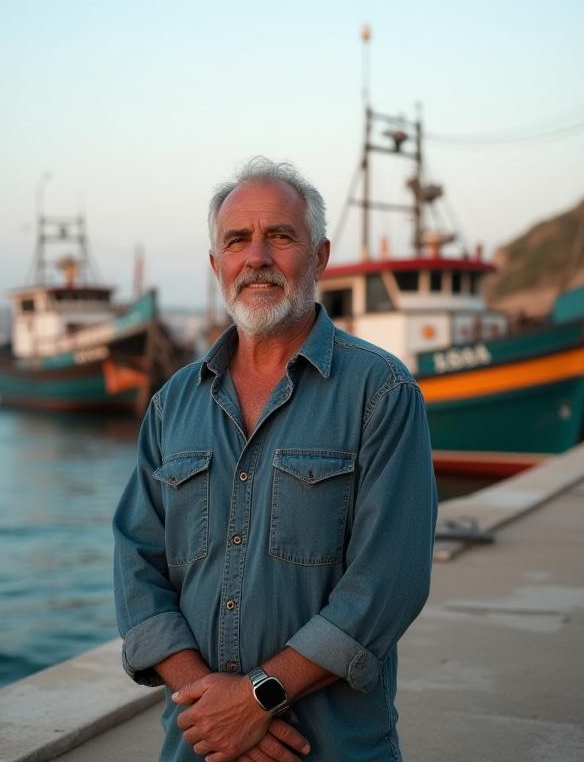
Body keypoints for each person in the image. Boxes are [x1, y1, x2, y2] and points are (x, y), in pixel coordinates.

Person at [113, 157, 437, 761]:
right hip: (199, 745)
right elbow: (137, 567)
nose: (256, 257)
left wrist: (257, 699)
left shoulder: (381, 393)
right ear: (217, 264)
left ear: (319, 256)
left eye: (280, 236)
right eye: (237, 240)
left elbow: (388, 583)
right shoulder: (171, 405)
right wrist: (215, 708)